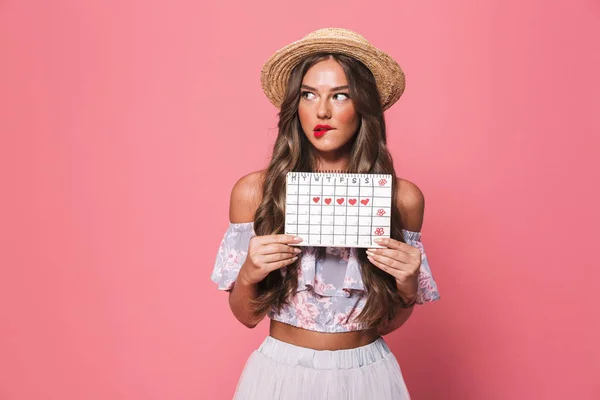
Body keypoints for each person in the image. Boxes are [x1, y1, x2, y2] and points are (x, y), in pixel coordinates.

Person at [210, 28, 440, 399]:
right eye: (309, 94)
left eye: (340, 95)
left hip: (367, 374)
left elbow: (388, 321)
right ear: (295, 106)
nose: (322, 110)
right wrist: (250, 272)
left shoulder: (403, 199)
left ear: (362, 106)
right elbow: (246, 315)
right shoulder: (255, 191)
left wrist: (408, 284)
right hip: (281, 373)